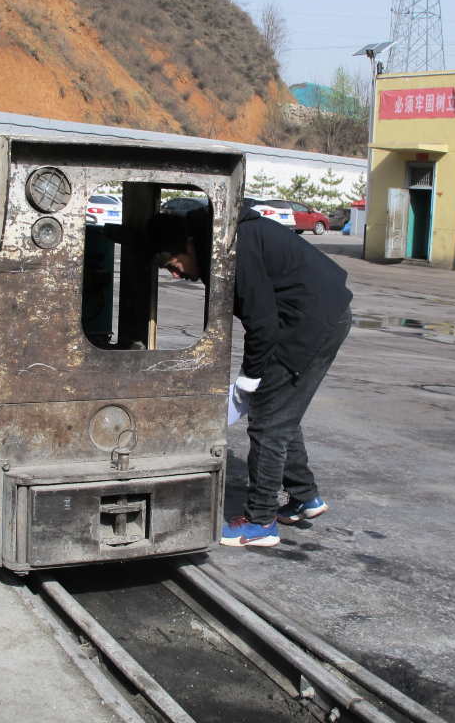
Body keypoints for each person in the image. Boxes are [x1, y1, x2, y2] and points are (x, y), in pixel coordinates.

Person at [148, 201, 353, 548]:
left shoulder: (235, 247)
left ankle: (260, 522)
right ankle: (305, 496)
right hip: (316, 314)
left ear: (188, 245)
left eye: (173, 264)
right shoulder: (222, 239)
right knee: (279, 410)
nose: (175, 274)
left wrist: (248, 378)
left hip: (310, 322)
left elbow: (262, 323)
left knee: (268, 424)